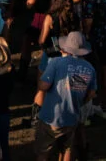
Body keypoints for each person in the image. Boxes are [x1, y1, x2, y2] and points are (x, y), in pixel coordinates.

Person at [34, 33, 97, 161]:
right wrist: (80, 102)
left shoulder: (56, 62)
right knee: (67, 148)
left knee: (43, 151)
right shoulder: (90, 68)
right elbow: (91, 93)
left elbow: (44, 86)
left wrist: (41, 82)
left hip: (51, 117)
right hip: (72, 116)